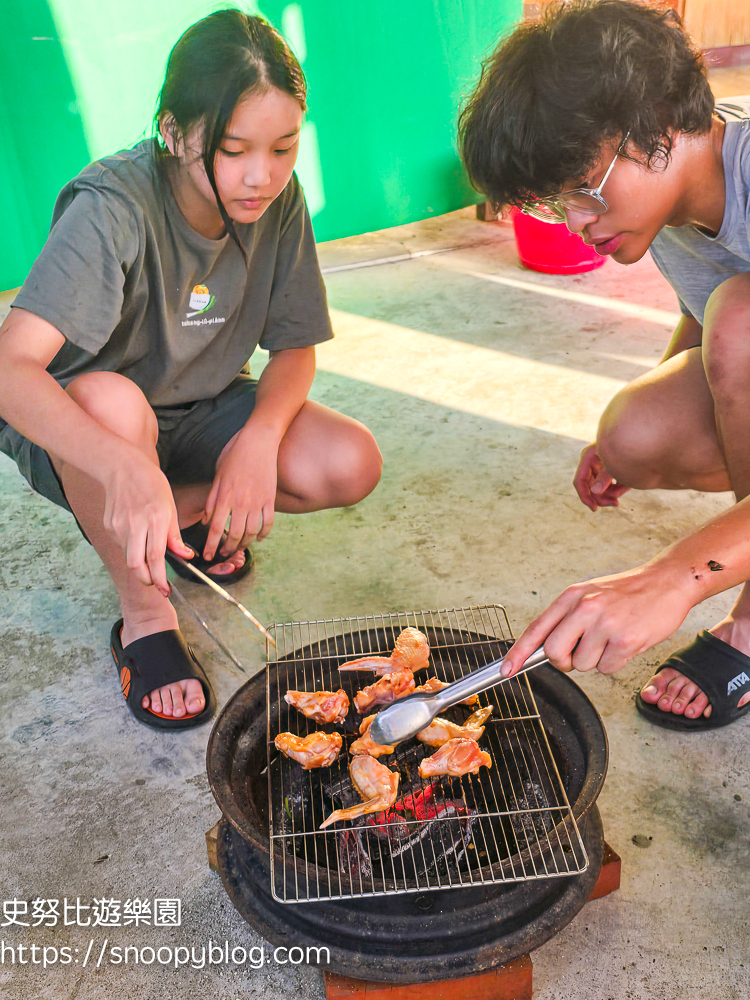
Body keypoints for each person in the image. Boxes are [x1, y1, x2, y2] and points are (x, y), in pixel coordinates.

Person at [0, 9, 382, 730]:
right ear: (174, 133)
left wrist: (258, 440)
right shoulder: (112, 205)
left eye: (284, 147)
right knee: (113, 404)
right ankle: (144, 612)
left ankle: (181, 520)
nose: (261, 176)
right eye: (235, 150)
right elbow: (10, 367)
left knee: (349, 460)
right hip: (91, 429)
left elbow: (295, 345)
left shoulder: (277, 200)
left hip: (205, 408)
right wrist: (120, 466)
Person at [459, 0, 750, 730]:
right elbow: (704, 312)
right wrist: (653, 395)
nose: (579, 223)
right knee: (637, 426)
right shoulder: (673, 204)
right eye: (559, 204)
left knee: (742, 324)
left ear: (659, 123)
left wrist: (676, 579)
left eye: (583, 190)